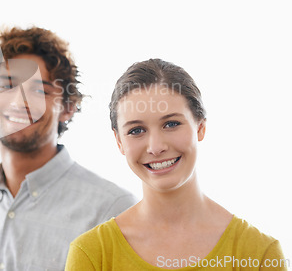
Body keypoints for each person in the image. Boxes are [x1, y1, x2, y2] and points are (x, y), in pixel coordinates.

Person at [65, 59, 287, 270]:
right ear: (119, 141)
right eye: (136, 130)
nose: (155, 146)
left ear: (200, 127)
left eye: (171, 124)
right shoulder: (92, 254)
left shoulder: (259, 253)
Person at [0, 26, 137, 270]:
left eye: (39, 90)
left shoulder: (112, 210)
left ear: (67, 107)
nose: (19, 101)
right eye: (7, 85)